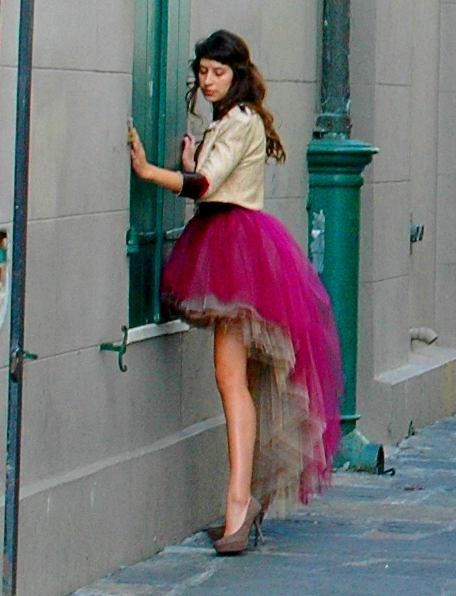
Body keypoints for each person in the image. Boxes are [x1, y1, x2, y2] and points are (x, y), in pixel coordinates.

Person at [130, 29, 343, 555]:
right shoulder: (230, 120)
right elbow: (210, 181)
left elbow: (206, 187)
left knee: (231, 381)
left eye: (218, 72)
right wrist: (190, 162)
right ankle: (240, 502)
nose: (207, 81)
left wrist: (150, 171)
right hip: (226, 244)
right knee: (236, 381)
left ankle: (238, 506)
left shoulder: (242, 119)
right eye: (202, 72)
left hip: (237, 250)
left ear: (237, 74)